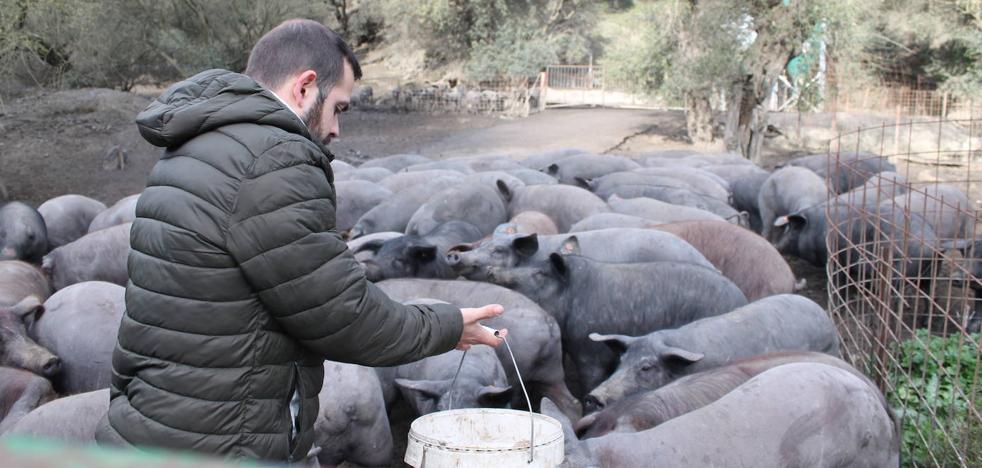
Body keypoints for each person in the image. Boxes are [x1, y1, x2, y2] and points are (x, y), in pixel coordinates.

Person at [94, 19, 505, 462]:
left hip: (153, 428)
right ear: (305, 87)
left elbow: (143, 318)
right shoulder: (274, 160)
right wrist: (446, 326)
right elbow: (344, 316)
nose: (337, 130)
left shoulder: (189, 150)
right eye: (340, 108)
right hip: (225, 441)